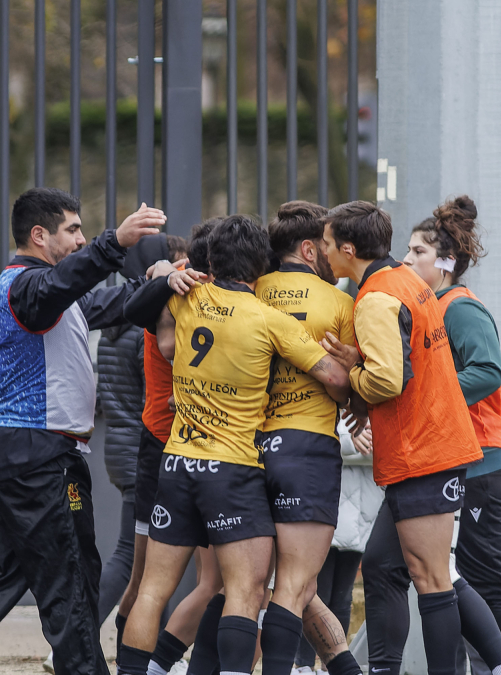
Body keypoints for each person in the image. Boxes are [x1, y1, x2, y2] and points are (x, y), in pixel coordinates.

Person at [0, 188, 170, 675]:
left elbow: (115, 305)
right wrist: (114, 243)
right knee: (72, 581)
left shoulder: (47, 291)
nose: (81, 239)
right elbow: (61, 286)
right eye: (73, 230)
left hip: (17, 451)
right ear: (39, 235)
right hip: (40, 457)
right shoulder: (29, 287)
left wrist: (164, 283)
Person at [116, 216, 349, 675]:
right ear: (261, 264)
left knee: (151, 590)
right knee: (246, 589)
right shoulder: (269, 318)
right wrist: (349, 365)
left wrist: (167, 277)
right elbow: (335, 378)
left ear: (210, 261)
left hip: (178, 462)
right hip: (232, 469)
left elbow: (134, 312)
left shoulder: (187, 298)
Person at [318, 201, 483, 675]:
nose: (324, 251)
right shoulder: (405, 281)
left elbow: (388, 381)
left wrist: (352, 378)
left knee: (433, 580)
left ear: (348, 248)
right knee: (383, 565)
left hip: (423, 452)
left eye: (328, 243)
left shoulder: (374, 297)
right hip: (432, 447)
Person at [400, 196, 501, 675]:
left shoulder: (460, 308)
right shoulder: (432, 307)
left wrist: (423, 392)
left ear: (444, 263)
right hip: (459, 460)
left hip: (483, 461)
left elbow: (486, 373)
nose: (405, 259)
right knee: (454, 573)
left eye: (417, 251)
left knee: (490, 575)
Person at [247, 201, 362, 675]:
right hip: (306, 448)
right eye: (330, 249)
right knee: (295, 585)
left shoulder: (249, 291)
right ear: (310, 248)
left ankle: (343, 667)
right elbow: (355, 387)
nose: (334, 261)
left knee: (256, 585)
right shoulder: (338, 302)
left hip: (247, 448)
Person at [119, 223, 220, 675]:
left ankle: (163, 665)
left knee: (215, 580)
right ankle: (132, 666)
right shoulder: (176, 285)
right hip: (163, 441)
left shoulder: (219, 290)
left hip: (212, 446)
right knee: (145, 578)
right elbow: (166, 345)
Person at [293, 419, 381, 675]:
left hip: (363, 511)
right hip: (326, 507)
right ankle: (304, 664)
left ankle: (328, 665)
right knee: (315, 591)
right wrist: (348, 441)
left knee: (342, 596)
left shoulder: (369, 398)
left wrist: (358, 444)